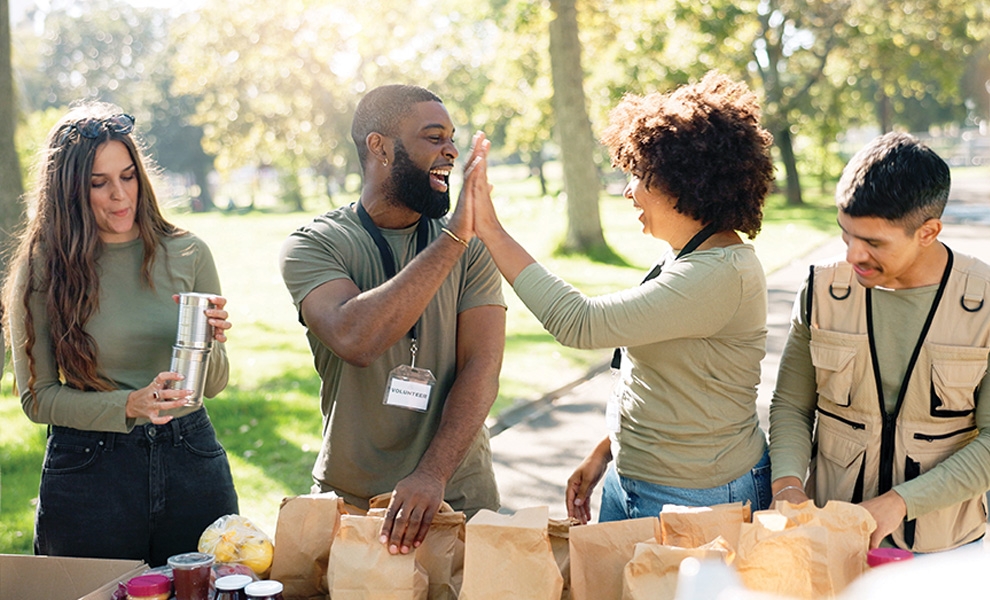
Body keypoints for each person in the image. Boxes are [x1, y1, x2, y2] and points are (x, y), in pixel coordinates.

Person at [470, 72, 775, 523]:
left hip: (698, 498)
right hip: (633, 480)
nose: (628, 189)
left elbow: (580, 322)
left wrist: (491, 230)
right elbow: (664, 382)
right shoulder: (688, 256)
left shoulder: (720, 274)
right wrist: (605, 453)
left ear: (685, 183)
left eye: (640, 175)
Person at [3, 103, 238, 566]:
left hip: (190, 456)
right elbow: (38, 399)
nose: (119, 195)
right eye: (99, 183)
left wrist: (210, 343)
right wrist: (129, 405)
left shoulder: (188, 252)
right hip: (90, 471)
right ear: (69, 191)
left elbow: (212, 385)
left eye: (128, 176)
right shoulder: (41, 268)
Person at [278, 84, 504, 555]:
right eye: (433, 137)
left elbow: (482, 368)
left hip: (458, 495)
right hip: (355, 505)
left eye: (452, 138)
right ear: (379, 147)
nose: (451, 151)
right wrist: (454, 239)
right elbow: (355, 338)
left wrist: (432, 473)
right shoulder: (315, 244)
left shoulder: (469, 246)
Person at [768, 132, 990, 553]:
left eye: (873, 242)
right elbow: (791, 405)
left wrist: (900, 504)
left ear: (928, 232)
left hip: (945, 552)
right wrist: (786, 485)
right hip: (829, 541)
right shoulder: (820, 290)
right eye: (846, 234)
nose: (854, 255)